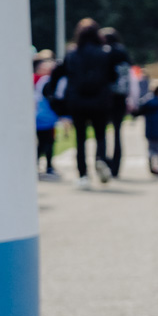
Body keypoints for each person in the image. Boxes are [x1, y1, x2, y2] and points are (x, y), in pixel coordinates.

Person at [48, 18, 117, 189]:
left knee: (80, 138)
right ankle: (100, 159)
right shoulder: (104, 54)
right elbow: (113, 76)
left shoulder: (72, 54)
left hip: (77, 101)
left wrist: (53, 95)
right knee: (100, 135)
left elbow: (57, 74)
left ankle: (83, 174)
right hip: (100, 101)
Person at [100, 27, 132, 179]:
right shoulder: (123, 53)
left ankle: (104, 161)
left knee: (102, 132)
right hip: (120, 97)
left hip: (106, 98)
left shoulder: (105, 53)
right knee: (118, 132)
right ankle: (116, 166)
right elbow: (129, 77)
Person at [33, 52, 61, 182]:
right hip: (45, 117)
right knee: (46, 142)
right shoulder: (45, 81)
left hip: (43, 117)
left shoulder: (40, 80)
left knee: (44, 142)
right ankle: (46, 165)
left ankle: (42, 164)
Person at [137, 83, 158, 177]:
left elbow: (139, 110)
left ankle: (152, 162)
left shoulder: (148, 103)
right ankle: (157, 166)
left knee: (151, 149)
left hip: (150, 131)